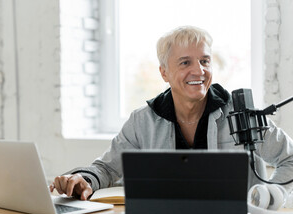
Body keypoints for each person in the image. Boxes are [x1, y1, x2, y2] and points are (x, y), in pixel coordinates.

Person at [50, 26, 293, 200]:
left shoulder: (241, 113)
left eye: (205, 61)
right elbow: (107, 169)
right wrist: (84, 179)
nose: (198, 70)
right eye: (185, 62)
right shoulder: (142, 121)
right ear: (164, 73)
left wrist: (273, 196)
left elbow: (290, 158)